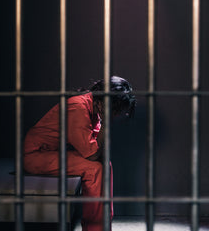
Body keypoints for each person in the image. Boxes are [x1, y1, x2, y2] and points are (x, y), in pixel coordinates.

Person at [23, 76, 136, 231]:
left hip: (52, 153)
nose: (116, 115)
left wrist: (103, 123)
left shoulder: (93, 107)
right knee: (94, 168)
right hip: (36, 156)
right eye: (116, 110)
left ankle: (102, 226)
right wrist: (105, 123)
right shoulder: (78, 107)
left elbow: (98, 150)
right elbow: (92, 155)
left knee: (104, 164)